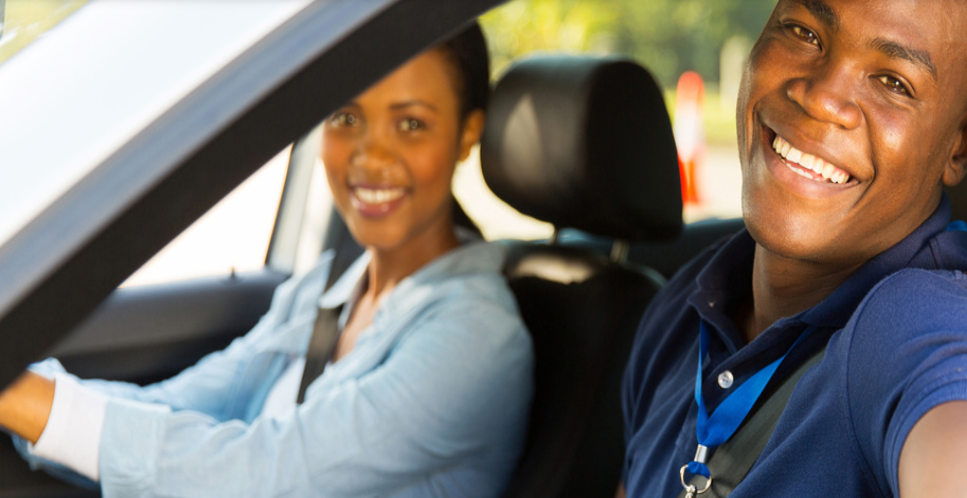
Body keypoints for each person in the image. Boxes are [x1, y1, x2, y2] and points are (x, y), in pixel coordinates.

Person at [0, 22, 534, 498]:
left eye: (411, 124)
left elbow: (263, 476)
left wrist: (18, 396)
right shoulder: (325, 291)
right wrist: (19, 389)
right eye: (346, 116)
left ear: (468, 134)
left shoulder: (476, 338)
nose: (369, 156)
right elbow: (176, 405)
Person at [620, 1, 967, 497]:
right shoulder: (681, 310)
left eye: (894, 82)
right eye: (803, 32)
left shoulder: (916, 322)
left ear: (959, 146)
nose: (822, 97)